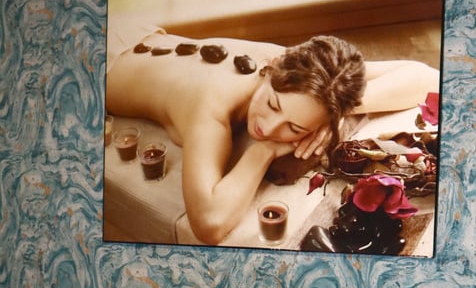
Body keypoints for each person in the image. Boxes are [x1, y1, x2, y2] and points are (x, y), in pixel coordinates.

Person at [105, 29, 439, 245]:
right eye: (272, 104)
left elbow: (425, 77)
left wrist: (337, 109)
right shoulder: (210, 105)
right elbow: (208, 223)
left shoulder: (309, 68)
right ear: (272, 69)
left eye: (294, 128)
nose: (269, 127)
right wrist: (262, 152)